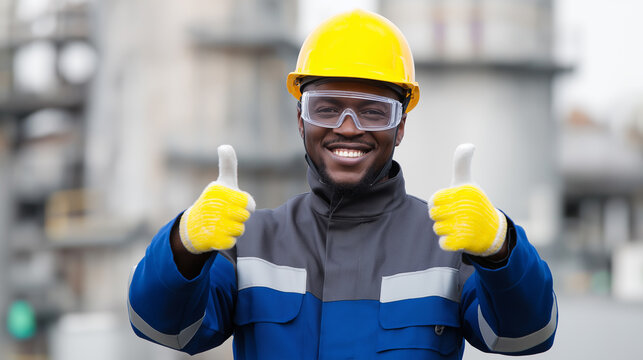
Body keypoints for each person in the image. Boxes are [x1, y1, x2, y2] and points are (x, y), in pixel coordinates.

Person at [128, 9, 557, 359]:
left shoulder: (446, 246)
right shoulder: (251, 243)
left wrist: (502, 248)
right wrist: (183, 245)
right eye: (326, 108)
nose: (348, 128)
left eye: (373, 112)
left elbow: (525, 335)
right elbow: (165, 328)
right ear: (300, 119)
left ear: (401, 127)